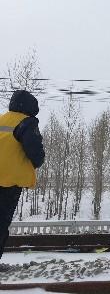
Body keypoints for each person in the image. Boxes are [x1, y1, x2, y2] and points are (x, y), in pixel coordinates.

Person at [0, 90, 45, 271]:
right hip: (9, 182)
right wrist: (38, 160)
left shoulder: (2, 119)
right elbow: (35, 152)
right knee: (1, 223)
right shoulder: (26, 122)